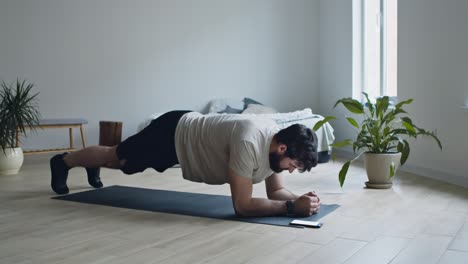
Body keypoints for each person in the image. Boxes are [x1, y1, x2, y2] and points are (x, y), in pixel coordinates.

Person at [50, 110, 321, 217]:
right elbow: (242, 206)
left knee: (119, 160)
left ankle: (85, 164)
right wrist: (289, 208)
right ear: (282, 147)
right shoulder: (250, 141)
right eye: (293, 164)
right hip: (172, 134)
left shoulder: (276, 146)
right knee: (117, 158)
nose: (291, 170)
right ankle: (64, 161)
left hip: (186, 135)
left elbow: (275, 192)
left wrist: (301, 199)